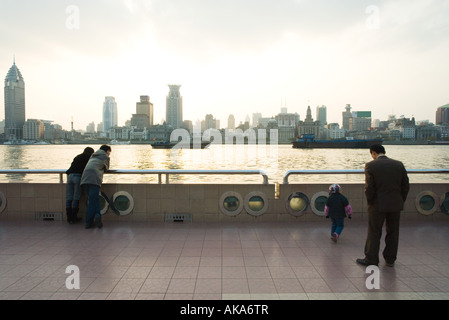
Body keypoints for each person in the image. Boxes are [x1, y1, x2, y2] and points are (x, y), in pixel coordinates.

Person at [356, 144, 409, 267]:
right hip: (395, 204)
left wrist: (370, 201)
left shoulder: (371, 165)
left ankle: (371, 259)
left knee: (374, 231)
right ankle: (390, 258)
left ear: (373, 153)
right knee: (393, 232)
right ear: (384, 152)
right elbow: (405, 186)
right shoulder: (398, 164)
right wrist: (400, 200)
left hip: (377, 205)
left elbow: (369, 188)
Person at [80, 145, 111, 229]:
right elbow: (107, 168)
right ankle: (88, 222)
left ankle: (97, 216)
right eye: (109, 152)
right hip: (94, 179)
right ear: (107, 151)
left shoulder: (93, 155)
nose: (109, 154)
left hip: (84, 179)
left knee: (94, 199)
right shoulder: (105, 156)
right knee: (92, 202)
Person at [65, 147, 94, 224]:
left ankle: (69, 217)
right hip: (78, 177)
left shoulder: (77, 156)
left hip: (70, 176)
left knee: (69, 197)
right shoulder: (88, 158)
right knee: (76, 197)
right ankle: (74, 217)